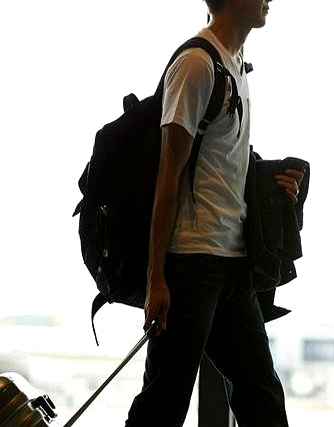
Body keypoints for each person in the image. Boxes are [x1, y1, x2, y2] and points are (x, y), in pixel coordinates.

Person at [125, 1, 302, 426]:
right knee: (164, 403)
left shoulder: (235, 64)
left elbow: (220, 166)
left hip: (231, 261)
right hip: (191, 263)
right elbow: (168, 179)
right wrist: (156, 279)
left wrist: (270, 184)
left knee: (262, 398)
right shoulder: (196, 65)